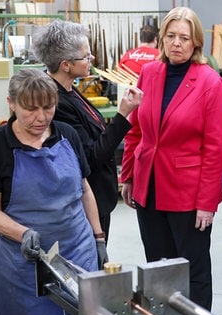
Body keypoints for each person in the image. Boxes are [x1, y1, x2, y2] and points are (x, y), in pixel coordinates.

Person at [0, 69, 109, 315]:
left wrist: (98, 238)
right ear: (11, 104)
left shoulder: (68, 135)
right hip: (23, 265)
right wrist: (22, 233)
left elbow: (85, 190)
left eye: (48, 107)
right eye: (31, 109)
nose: (41, 117)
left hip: (78, 253)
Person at [119, 7, 222, 311]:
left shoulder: (210, 83)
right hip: (148, 187)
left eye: (184, 37)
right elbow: (136, 129)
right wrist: (127, 175)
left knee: (193, 273)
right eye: (171, 36)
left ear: (196, 43)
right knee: (157, 268)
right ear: (162, 38)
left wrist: (207, 202)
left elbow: (216, 147)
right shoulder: (149, 73)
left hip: (187, 195)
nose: (177, 43)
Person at [32, 20, 143, 244]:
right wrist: (122, 116)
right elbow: (90, 157)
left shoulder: (69, 89)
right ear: (65, 65)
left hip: (98, 196)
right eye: (85, 56)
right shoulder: (57, 103)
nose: (90, 59)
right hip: (85, 203)